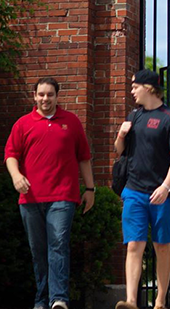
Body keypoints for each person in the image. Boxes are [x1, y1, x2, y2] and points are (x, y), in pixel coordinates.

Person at [4, 77, 95, 309]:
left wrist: (90, 189)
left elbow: (84, 158)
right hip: (30, 198)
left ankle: (59, 299)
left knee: (58, 244)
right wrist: (16, 176)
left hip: (63, 197)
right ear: (34, 96)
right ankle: (41, 299)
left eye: (50, 94)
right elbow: (11, 155)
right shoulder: (23, 124)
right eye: (41, 94)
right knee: (38, 251)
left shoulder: (71, 122)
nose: (45, 99)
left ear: (57, 96)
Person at [114, 70, 170, 309]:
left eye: (135, 86)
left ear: (149, 87)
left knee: (162, 246)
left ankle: (160, 301)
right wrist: (121, 135)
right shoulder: (133, 116)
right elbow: (119, 151)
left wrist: (166, 187)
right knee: (134, 244)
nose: (132, 90)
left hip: (161, 195)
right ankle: (132, 301)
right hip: (134, 190)